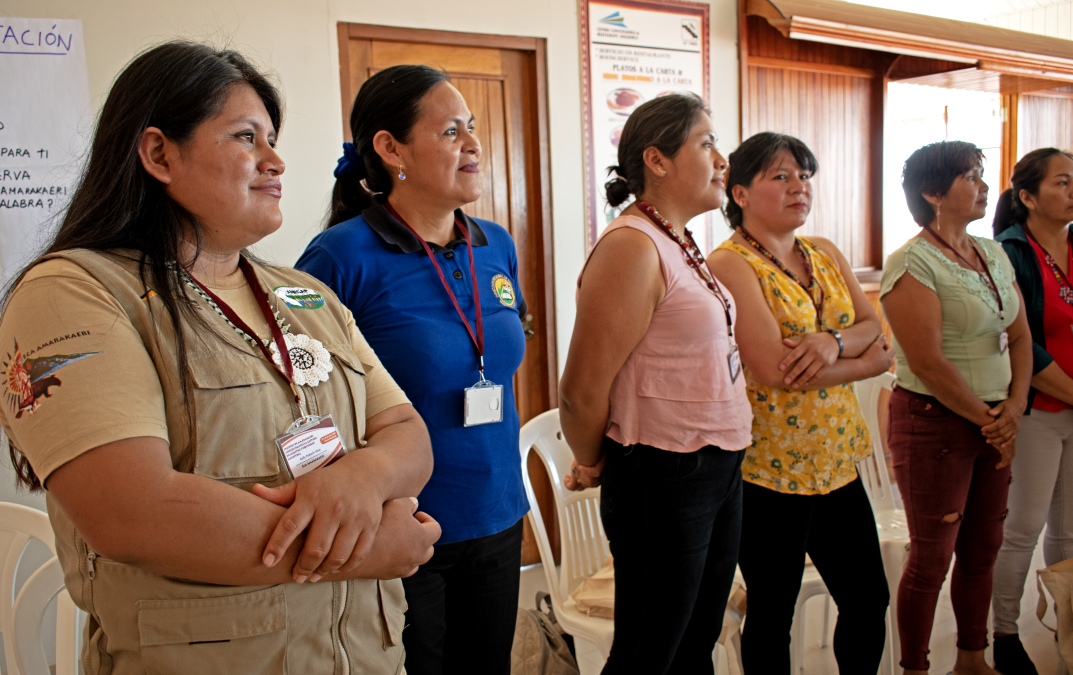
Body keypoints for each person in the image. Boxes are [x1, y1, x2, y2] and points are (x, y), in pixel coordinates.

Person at [0, 42, 440, 675]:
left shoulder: (305, 294)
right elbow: (133, 514)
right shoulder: (75, 293)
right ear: (158, 154)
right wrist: (363, 549)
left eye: (273, 137)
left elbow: (404, 431)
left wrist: (359, 479)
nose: (275, 159)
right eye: (245, 137)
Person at [295, 65, 528, 675]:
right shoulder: (341, 256)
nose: (474, 144)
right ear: (391, 148)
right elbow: (298, 396)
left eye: (472, 128)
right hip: (400, 526)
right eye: (451, 131)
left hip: (498, 511)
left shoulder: (495, 243)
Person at [558, 93, 753, 675]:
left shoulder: (677, 238)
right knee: (649, 653)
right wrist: (594, 461)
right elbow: (582, 388)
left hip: (716, 463)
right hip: (663, 471)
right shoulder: (632, 246)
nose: (723, 159)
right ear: (658, 160)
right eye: (706, 142)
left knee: (695, 643)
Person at [707, 131, 893, 673]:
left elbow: (871, 326)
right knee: (772, 613)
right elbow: (774, 369)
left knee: (867, 598)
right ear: (739, 192)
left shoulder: (825, 252)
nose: (799, 188)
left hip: (836, 461)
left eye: (804, 176)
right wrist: (865, 359)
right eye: (781, 176)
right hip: (769, 470)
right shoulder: (732, 263)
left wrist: (829, 343)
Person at [881, 140, 1032, 675]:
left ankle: (972, 658)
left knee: (983, 547)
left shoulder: (992, 252)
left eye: (981, 175)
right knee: (931, 558)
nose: (985, 187)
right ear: (932, 192)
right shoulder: (910, 262)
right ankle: (915, 669)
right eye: (970, 176)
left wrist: (1014, 406)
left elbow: (1019, 336)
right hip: (935, 423)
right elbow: (928, 361)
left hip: (995, 421)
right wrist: (993, 420)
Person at [990, 148, 1073, 675]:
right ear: (1027, 196)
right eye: (1063, 183)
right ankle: (1002, 634)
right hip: (1039, 407)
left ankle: (1067, 628)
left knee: (1068, 530)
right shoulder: (1010, 252)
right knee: (1022, 527)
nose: (1072, 191)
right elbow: (1019, 342)